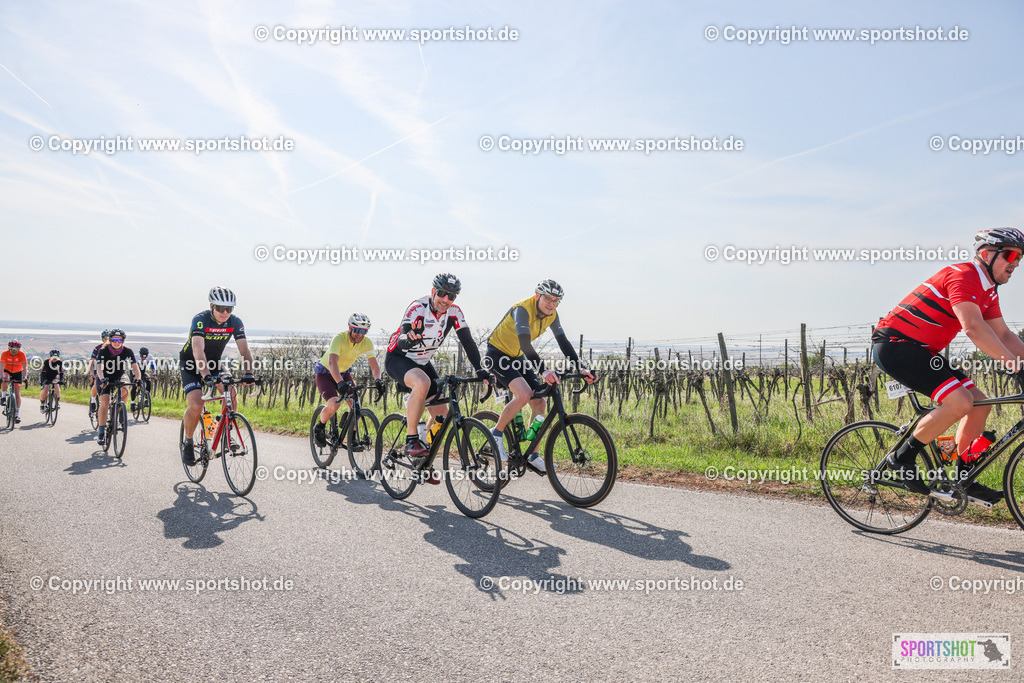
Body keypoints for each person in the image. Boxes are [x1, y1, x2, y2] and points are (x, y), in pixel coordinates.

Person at [872, 227, 1024, 504]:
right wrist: (1016, 366)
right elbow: (974, 328)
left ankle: (964, 477)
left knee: (980, 403)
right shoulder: (964, 275)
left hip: (922, 350)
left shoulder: (988, 292)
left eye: (1020, 258)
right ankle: (901, 459)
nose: (1015, 262)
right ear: (986, 254)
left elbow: (1003, 335)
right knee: (961, 402)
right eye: (1011, 254)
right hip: (896, 345)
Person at [483, 280, 597, 472]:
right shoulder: (522, 310)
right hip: (496, 354)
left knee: (540, 402)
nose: (551, 304)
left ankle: (533, 455)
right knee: (524, 394)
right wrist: (544, 370)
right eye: (548, 299)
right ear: (538, 296)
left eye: (556, 301)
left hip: (516, 356)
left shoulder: (552, 315)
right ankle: (495, 434)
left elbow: (563, 342)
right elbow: (525, 343)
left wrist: (581, 368)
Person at [385, 273, 490, 474]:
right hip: (398, 358)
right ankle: (411, 440)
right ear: (433, 291)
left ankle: (422, 459)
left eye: (451, 296)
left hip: (422, 362)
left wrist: (481, 370)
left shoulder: (454, 313)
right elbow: (403, 336)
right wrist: (410, 339)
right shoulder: (418, 308)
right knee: (422, 383)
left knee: (442, 413)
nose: (446, 300)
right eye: (442, 293)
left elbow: (468, 342)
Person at [179, 287, 255, 465]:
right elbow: (198, 350)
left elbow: (244, 350)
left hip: (213, 362)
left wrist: (249, 373)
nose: (225, 312)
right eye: (221, 308)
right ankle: (188, 442)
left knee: (231, 391)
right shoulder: (200, 319)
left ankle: (224, 433)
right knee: (197, 404)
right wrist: (205, 376)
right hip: (191, 364)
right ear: (211, 305)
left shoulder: (235, 322)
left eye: (230, 309)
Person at [312, 313, 384, 447]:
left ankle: (352, 439)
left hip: (344, 373)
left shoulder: (366, 342)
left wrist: (378, 380)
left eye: (364, 331)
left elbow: (374, 364)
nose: (360, 334)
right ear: (350, 328)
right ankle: (319, 427)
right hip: (326, 373)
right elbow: (332, 362)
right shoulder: (339, 338)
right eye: (357, 330)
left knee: (355, 405)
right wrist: (339, 383)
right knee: (334, 404)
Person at [93, 329, 142, 443]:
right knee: (105, 402)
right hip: (104, 376)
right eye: (114, 340)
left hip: (120, 375)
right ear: (110, 340)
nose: (116, 342)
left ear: (123, 341)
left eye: (119, 340)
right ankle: (101, 432)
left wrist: (138, 379)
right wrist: (102, 379)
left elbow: (135, 367)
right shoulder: (103, 351)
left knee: (125, 388)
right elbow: (99, 368)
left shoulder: (128, 351)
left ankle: (118, 406)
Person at [1, 339, 28, 424]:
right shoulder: (5, 353)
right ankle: (3, 396)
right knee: (5, 378)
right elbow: (1, 366)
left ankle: (16, 414)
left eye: (16, 349)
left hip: (18, 372)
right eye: (12, 349)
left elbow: (25, 367)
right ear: (9, 348)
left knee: (17, 394)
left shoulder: (22, 354)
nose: (14, 351)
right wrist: (0, 377)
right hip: (7, 370)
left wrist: (25, 377)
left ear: (19, 349)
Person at [87, 330, 110, 415]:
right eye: (105, 338)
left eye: (108, 338)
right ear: (102, 339)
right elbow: (91, 363)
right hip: (100, 369)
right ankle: (93, 400)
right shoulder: (97, 348)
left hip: (111, 370)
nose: (107, 339)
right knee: (97, 382)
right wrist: (92, 374)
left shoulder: (116, 348)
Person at [131, 346, 156, 411]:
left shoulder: (150, 357)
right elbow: (132, 367)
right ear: (140, 354)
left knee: (149, 381)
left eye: (145, 357)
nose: (143, 358)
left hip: (142, 372)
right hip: (134, 372)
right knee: (134, 385)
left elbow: (152, 365)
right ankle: (132, 402)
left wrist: (154, 373)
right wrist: (135, 375)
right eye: (142, 357)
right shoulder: (135, 357)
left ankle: (146, 399)